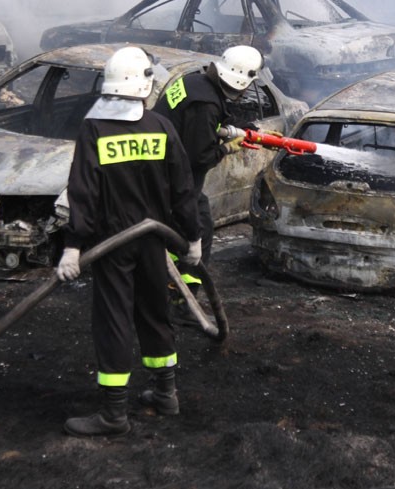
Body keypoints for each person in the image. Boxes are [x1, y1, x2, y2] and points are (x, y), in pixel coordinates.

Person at [56, 46, 203, 437]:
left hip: (113, 244)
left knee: (114, 320)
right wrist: (192, 237)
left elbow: (82, 192)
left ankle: (113, 414)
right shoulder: (161, 126)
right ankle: (165, 393)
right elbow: (183, 189)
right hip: (155, 240)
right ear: (144, 85)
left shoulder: (94, 129)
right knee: (155, 312)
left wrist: (74, 244)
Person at [152, 44, 264, 306]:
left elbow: (201, 126)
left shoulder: (194, 83)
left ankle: (174, 285)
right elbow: (198, 156)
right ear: (241, 79)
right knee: (197, 227)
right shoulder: (205, 104)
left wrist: (240, 130)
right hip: (172, 180)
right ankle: (183, 293)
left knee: (179, 229)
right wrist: (227, 147)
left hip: (160, 172)